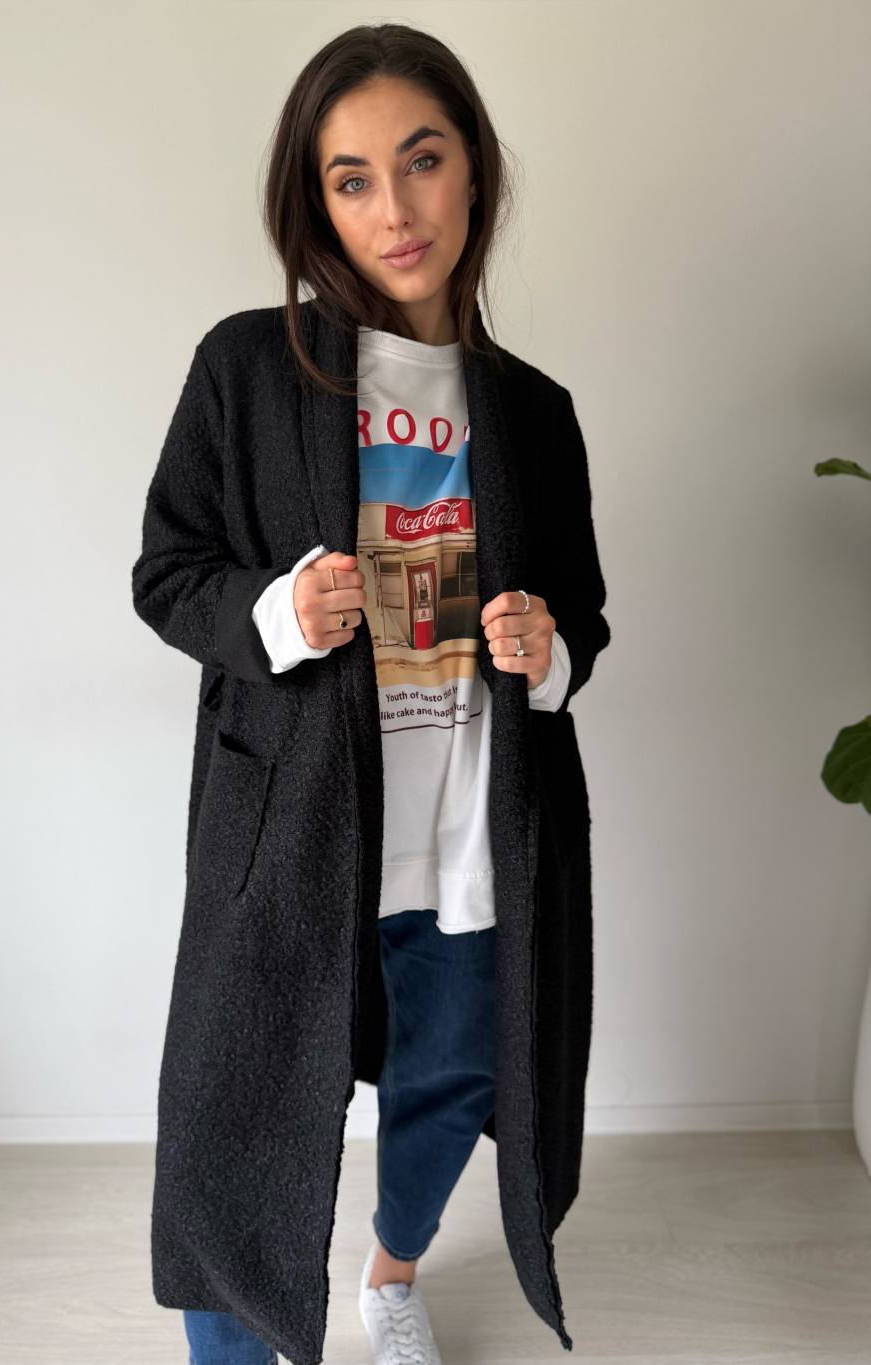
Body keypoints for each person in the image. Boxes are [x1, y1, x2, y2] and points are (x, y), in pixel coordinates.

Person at [132, 23, 609, 1365]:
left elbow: (586, 616)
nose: (395, 209)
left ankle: (391, 1277)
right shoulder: (247, 367)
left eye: (422, 160)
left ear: (475, 172)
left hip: (468, 831)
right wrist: (277, 613)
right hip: (291, 826)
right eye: (353, 179)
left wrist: (549, 649)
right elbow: (169, 573)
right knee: (237, 1120)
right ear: (317, 201)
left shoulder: (533, 411)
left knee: (454, 1081)